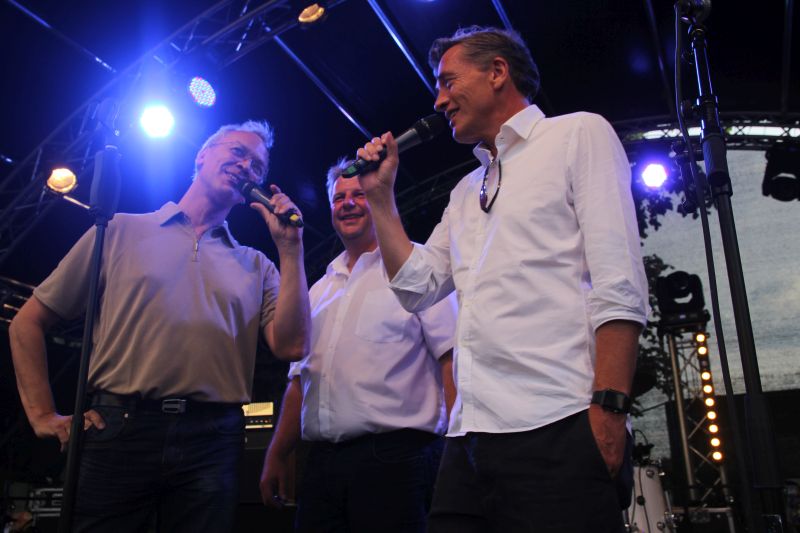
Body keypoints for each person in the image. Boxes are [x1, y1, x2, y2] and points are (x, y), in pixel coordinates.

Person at [353, 26, 650, 532]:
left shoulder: (577, 134)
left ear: (497, 72)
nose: (438, 99)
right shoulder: (466, 190)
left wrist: (609, 409)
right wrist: (380, 198)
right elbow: (417, 287)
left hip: (558, 421)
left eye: (448, 81)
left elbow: (618, 282)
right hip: (469, 436)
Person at [8, 120, 311, 532]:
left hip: (212, 438)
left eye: (257, 165)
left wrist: (291, 249)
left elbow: (292, 346)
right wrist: (43, 415)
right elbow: (28, 322)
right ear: (201, 155)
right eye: (237, 152)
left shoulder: (257, 265)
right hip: (119, 429)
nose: (246, 165)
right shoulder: (120, 230)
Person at [259, 159, 458, 533]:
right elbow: (300, 381)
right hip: (322, 464)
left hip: (398, 461)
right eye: (339, 198)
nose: (347, 203)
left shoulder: (418, 269)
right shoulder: (317, 290)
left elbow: (452, 360)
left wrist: (459, 453)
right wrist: (277, 452)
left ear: (378, 197)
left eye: (359, 194)